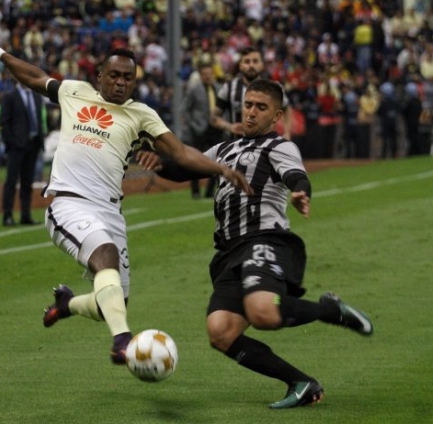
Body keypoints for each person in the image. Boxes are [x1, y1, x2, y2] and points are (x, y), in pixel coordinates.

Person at [0, 35, 251, 365]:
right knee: (106, 256)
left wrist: (220, 169)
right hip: (70, 203)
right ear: (100, 76)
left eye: (128, 77)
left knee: (111, 304)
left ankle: (67, 304)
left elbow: (181, 152)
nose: (120, 82)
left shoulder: (141, 115)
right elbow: (33, 76)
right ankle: (122, 341)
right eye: (114, 75)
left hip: (110, 212)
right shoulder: (75, 92)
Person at [157, 79, 373, 409]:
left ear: (276, 115)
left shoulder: (280, 147)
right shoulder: (223, 149)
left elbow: (296, 176)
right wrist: (158, 162)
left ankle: (330, 310)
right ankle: (301, 383)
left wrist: (301, 192)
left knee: (263, 312)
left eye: (261, 107)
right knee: (221, 332)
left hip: (264, 240)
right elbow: (185, 167)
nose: (251, 112)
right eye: (248, 105)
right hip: (228, 252)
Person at [210, 46, 293, 140]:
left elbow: (286, 108)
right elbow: (214, 118)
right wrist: (229, 127)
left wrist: (287, 132)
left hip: (266, 145)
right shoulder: (228, 87)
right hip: (237, 144)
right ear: (240, 65)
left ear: (262, 65)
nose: (251, 65)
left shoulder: (274, 88)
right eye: (247, 61)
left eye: (255, 61)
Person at [0, 76, 46, 226]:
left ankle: (26, 215)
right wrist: (11, 142)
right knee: (11, 181)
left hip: (33, 144)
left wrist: (40, 140)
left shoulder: (36, 96)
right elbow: (4, 122)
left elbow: (38, 119)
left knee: (27, 182)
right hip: (17, 146)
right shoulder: (10, 96)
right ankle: (7, 215)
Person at [180, 62, 222, 199]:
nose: (208, 76)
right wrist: (192, 124)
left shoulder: (219, 88)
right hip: (199, 129)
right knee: (196, 161)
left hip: (215, 129)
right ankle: (195, 190)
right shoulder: (194, 89)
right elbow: (185, 108)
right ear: (201, 75)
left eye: (210, 74)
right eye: (205, 74)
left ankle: (210, 191)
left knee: (216, 160)